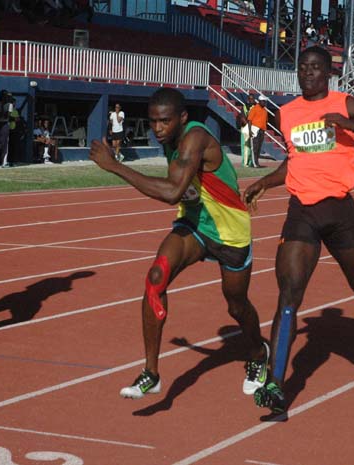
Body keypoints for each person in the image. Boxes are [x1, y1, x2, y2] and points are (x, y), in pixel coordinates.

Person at [242, 46, 354, 413]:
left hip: (340, 211)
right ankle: (276, 383)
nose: (308, 73)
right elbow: (296, 161)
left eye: (315, 68)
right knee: (289, 295)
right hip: (302, 213)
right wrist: (265, 181)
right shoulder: (287, 113)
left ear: (328, 73)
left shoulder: (349, 104)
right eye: (303, 67)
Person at [89, 88, 269, 400]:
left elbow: (172, 191)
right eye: (152, 122)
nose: (157, 128)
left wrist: (115, 166)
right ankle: (151, 373)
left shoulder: (194, 137)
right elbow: (182, 191)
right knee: (156, 277)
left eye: (164, 122)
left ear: (182, 118)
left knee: (236, 304)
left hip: (230, 233)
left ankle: (257, 353)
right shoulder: (170, 141)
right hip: (195, 225)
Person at [247, 95, 268, 168]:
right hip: (255, 130)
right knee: (254, 147)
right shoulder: (254, 109)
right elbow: (249, 120)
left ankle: (256, 162)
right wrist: (250, 131)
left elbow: (266, 121)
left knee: (259, 147)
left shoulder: (265, 110)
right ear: (260, 101)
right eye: (263, 101)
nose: (265, 103)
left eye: (265, 101)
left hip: (262, 130)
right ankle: (254, 163)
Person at [239, 94, 256, 167]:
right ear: (248, 100)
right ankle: (245, 163)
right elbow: (242, 118)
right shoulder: (244, 107)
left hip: (254, 128)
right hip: (245, 128)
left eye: (253, 99)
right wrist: (248, 127)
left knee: (253, 146)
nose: (252, 100)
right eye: (250, 99)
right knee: (246, 146)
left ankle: (251, 162)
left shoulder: (256, 107)